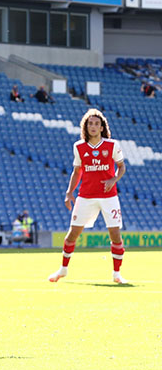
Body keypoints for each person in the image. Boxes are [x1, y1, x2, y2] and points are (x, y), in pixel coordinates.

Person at [49, 109, 128, 284]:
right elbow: (77, 172)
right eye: (90, 123)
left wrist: (114, 179)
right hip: (85, 196)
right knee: (72, 234)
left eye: (96, 124)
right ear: (85, 127)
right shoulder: (79, 147)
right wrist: (69, 192)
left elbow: (121, 167)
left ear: (101, 128)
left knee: (115, 234)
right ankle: (63, 269)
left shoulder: (112, 145)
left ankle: (117, 274)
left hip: (109, 197)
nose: (93, 126)